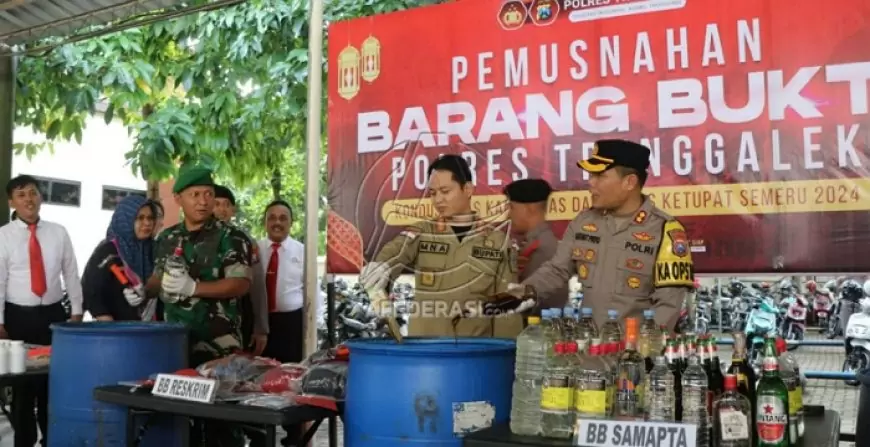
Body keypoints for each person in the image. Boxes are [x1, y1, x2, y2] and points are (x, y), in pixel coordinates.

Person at [488, 139, 694, 330]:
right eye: (591, 175)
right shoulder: (584, 222)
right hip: (588, 354)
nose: (590, 183)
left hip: (635, 359)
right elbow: (555, 271)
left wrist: (642, 354)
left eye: (600, 176)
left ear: (630, 182)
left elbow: (668, 307)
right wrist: (510, 298)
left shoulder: (665, 232)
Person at [145, 164, 253, 446]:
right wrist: (143, 290)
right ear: (178, 199)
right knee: (179, 419)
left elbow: (241, 284)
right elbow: (158, 279)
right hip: (175, 342)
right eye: (195, 194)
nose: (203, 201)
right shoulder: (167, 238)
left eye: (208, 194)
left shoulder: (231, 237)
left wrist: (195, 288)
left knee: (222, 422)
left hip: (218, 344)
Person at [360, 154, 521, 338]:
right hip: (426, 354)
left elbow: (507, 310)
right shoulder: (423, 233)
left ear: (467, 189)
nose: (438, 200)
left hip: (473, 355)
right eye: (433, 193)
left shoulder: (497, 242)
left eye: (445, 191)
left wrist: (506, 355)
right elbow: (396, 251)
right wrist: (382, 266)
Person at [0, 174, 83, 447]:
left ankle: (53, 440)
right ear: (12, 201)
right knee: (23, 389)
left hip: (53, 316)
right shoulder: (3, 236)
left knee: (53, 384)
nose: (29, 199)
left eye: (33, 193)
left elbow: (71, 273)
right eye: (21, 194)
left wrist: (77, 312)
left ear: (41, 197)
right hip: (17, 318)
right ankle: (23, 442)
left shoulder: (58, 232)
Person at [251, 199, 319, 447]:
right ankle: (259, 436)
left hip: (291, 325)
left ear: (291, 222)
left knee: (291, 381)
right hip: (260, 324)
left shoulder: (303, 252)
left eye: (283, 218)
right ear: (265, 221)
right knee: (257, 379)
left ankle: (294, 438)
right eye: (272, 217)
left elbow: (315, 293)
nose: (277, 222)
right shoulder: (255, 250)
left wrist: (312, 330)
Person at [213, 184, 269, 356]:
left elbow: (258, 286)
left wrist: (261, 328)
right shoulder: (191, 238)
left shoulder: (245, 242)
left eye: (227, 205)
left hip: (238, 319)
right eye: (217, 204)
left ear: (233, 210)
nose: (222, 210)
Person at [82, 196, 157, 321]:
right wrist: (108, 324)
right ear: (126, 219)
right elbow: (90, 291)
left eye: (150, 218)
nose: (147, 223)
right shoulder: (107, 250)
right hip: (116, 331)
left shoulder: (155, 249)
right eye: (140, 218)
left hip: (151, 330)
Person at [503, 178, 566, 312]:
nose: (508, 215)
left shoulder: (542, 247)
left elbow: (537, 300)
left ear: (528, 209)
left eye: (512, 208)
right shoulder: (536, 242)